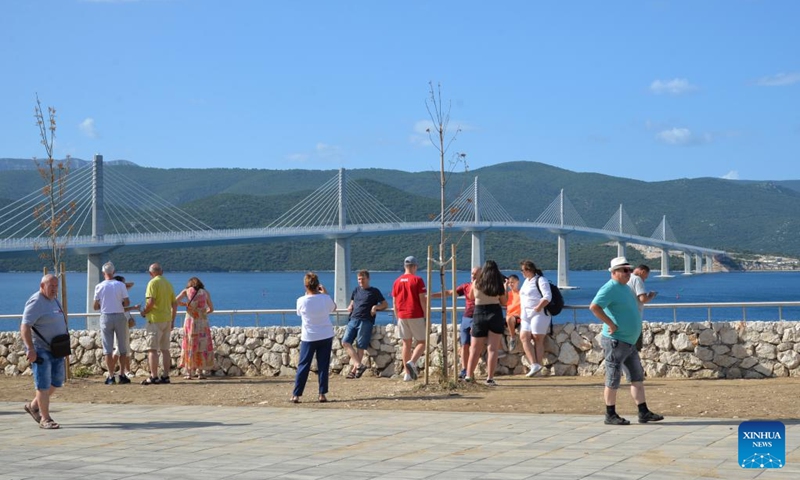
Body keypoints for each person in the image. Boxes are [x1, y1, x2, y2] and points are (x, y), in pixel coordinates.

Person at [590, 256, 664, 426]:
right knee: (613, 377)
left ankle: (643, 411)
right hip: (616, 340)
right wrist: (610, 324)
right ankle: (610, 414)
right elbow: (594, 306)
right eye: (624, 270)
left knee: (636, 376)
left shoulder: (624, 287)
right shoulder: (609, 288)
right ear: (614, 272)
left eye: (629, 270)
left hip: (628, 342)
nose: (628, 273)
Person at [20, 274, 67, 429]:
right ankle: (45, 419)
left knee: (57, 381)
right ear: (42, 286)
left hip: (57, 348)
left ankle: (33, 406)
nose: (54, 289)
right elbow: (25, 326)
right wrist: (30, 349)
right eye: (51, 286)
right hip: (41, 349)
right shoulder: (36, 302)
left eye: (56, 286)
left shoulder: (54, 299)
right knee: (43, 385)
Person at [292, 272, 336, 403]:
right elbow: (333, 308)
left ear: (306, 285)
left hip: (309, 337)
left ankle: (296, 395)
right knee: (323, 365)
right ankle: (322, 394)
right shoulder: (325, 298)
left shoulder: (301, 300)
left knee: (303, 365)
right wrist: (326, 294)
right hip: (325, 335)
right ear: (318, 285)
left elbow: (299, 313)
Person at [465, 260, 507, 386]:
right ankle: (489, 378)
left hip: (479, 313)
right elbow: (504, 302)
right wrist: (506, 288)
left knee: (475, 349)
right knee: (492, 349)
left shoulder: (477, 282)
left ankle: (468, 375)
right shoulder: (498, 284)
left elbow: (471, 297)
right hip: (495, 312)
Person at [343, 270, 388, 379]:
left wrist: (376, 307)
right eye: (359, 279)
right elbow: (352, 302)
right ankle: (359, 365)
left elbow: (385, 304)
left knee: (360, 346)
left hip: (366, 321)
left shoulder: (374, 291)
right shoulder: (356, 290)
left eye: (363, 278)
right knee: (345, 342)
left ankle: (354, 371)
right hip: (353, 319)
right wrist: (350, 306)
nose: (361, 281)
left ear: (368, 279)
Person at [93, 262, 131, 384]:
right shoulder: (120, 285)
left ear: (103, 273)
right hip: (119, 316)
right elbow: (127, 303)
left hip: (106, 317)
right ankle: (122, 374)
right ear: (113, 272)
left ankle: (110, 376)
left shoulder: (99, 286)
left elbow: (95, 306)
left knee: (107, 348)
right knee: (122, 348)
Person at [140, 263, 177, 385]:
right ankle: (166, 376)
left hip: (155, 319)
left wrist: (144, 311)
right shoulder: (168, 283)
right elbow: (174, 303)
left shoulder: (152, 283)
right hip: (167, 319)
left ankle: (154, 376)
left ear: (151, 273)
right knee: (165, 349)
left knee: (152, 349)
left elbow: (150, 302)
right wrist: (173, 320)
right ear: (162, 271)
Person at [392, 256, 427, 381]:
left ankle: (407, 374)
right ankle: (412, 362)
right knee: (423, 342)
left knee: (406, 343)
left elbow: (394, 302)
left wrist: (397, 316)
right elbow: (422, 299)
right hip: (415, 314)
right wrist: (426, 314)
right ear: (414, 266)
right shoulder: (418, 280)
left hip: (401, 315)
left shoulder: (397, 281)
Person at [176, 277, 216, 379]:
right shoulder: (205, 292)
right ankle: (200, 372)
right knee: (201, 346)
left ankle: (189, 372)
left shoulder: (186, 291)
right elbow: (211, 308)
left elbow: (175, 301)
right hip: (202, 323)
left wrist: (184, 304)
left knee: (189, 345)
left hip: (190, 322)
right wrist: (203, 313)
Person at [518, 260, 551, 377]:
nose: (521, 272)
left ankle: (539, 365)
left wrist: (538, 308)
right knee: (524, 337)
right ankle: (534, 364)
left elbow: (547, 296)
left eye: (522, 270)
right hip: (526, 314)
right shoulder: (526, 282)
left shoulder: (541, 280)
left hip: (539, 313)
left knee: (537, 338)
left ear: (528, 270)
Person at [112, 275, 139, 380]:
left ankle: (125, 370)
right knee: (119, 348)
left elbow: (131, 284)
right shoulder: (117, 296)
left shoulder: (120, 294)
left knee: (125, 348)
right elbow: (121, 309)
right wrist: (133, 308)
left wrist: (123, 285)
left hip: (124, 322)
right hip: (120, 322)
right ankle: (112, 369)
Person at [628, 264, 657, 351]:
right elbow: (643, 299)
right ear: (642, 271)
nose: (645, 279)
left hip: (624, 318)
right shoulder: (637, 279)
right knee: (635, 349)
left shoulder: (626, 278)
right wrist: (651, 296)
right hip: (635, 319)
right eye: (645, 276)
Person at [504, 274, 521, 352]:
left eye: (513, 282)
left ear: (518, 282)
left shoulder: (521, 294)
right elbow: (503, 301)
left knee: (510, 319)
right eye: (510, 282)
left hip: (518, 318)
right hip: (509, 317)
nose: (511, 284)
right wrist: (505, 286)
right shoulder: (508, 294)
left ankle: (513, 338)